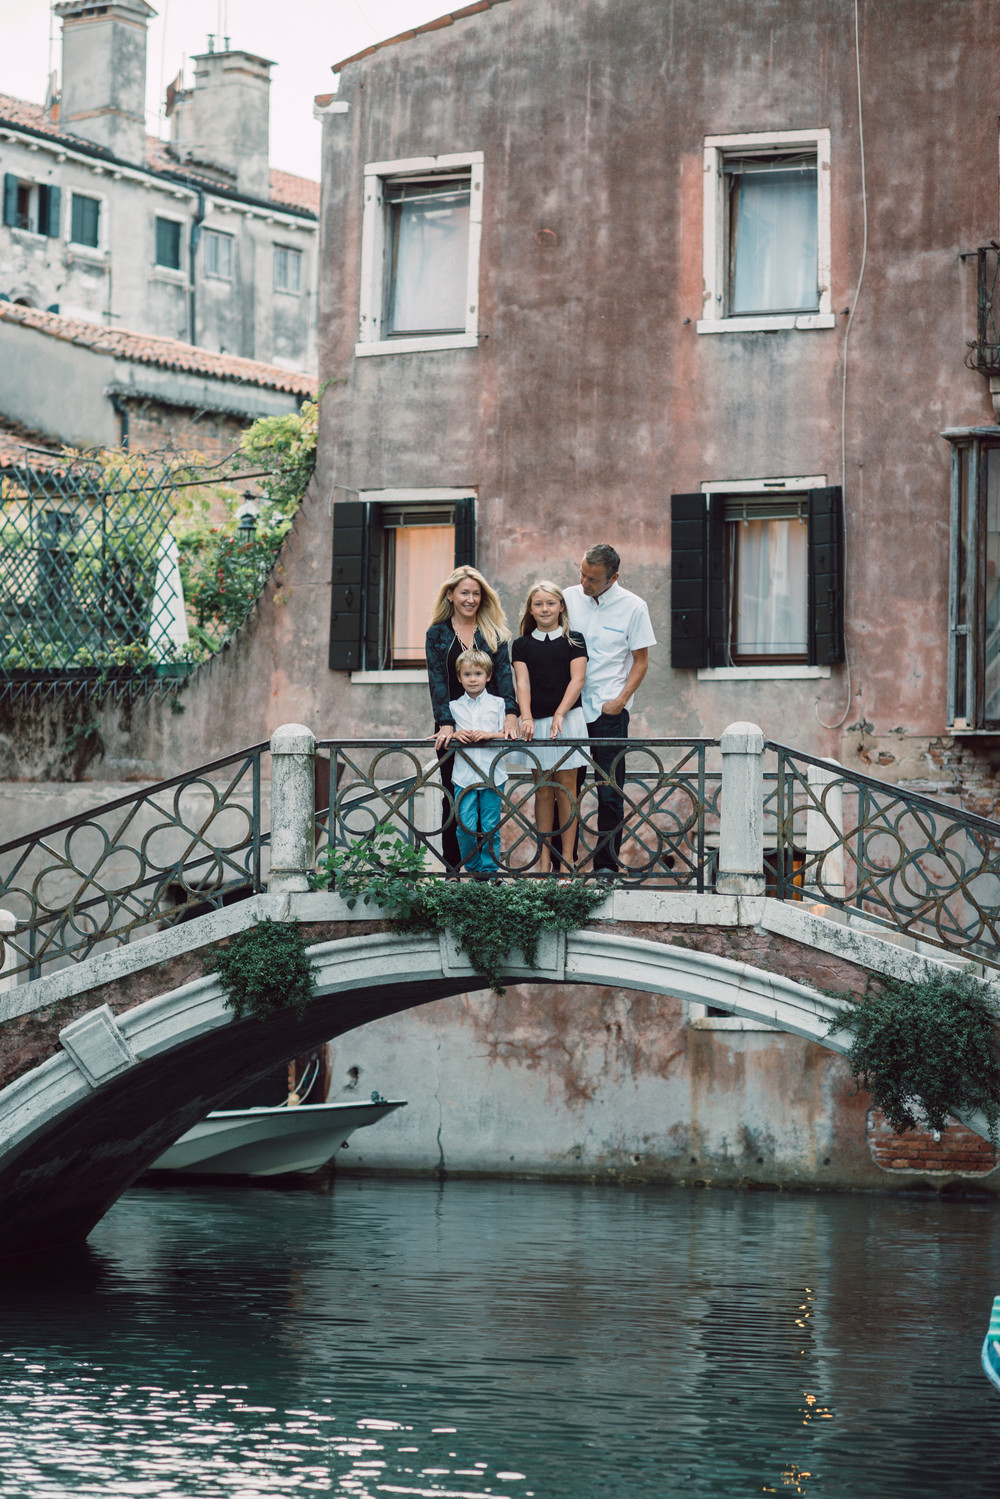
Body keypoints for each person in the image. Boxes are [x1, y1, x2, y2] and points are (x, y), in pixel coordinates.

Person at [564, 543, 656, 872]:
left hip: (608, 713)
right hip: (570, 710)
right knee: (565, 790)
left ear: (613, 577)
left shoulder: (634, 607)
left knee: (609, 793)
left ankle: (606, 867)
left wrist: (619, 701)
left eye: (592, 579)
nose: (584, 583)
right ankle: (564, 864)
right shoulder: (567, 598)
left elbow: (642, 661)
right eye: (582, 575)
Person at [426, 566, 519, 873]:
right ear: (450, 595)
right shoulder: (437, 634)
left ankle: (486, 871)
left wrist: (510, 715)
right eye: (464, 592)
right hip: (451, 724)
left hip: (488, 726)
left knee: (488, 802)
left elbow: (504, 674)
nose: (470, 599)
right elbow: (437, 680)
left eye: (476, 593)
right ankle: (454, 868)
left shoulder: (493, 631)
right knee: (453, 798)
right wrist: (446, 723)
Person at [511, 580, 589, 875]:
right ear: (531, 609)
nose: (545, 609)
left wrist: (560, 713)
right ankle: (544, 862)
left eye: (550, 603)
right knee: (543, 790)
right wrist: (526, 716)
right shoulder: (521, 645)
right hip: (535, 722)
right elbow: (522, 682)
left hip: (568, 720)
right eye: (538, 604)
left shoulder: (575, 640)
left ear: (561, 607)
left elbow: (577, 680)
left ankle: (568, 860)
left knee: (567, 789)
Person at [434, 649, 508, 877]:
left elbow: (508, 734)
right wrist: (456, 736)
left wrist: (489, 735)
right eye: (467, 674)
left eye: (478, 673)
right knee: (464, 827)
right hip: (463, 776)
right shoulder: (453, 707)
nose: (473, 679)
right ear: (459, 678)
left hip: (492, 775)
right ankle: (472, 867)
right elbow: (446, 737)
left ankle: (488, 872)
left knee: (490, 828)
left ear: (488, 675)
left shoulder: (498, 704)